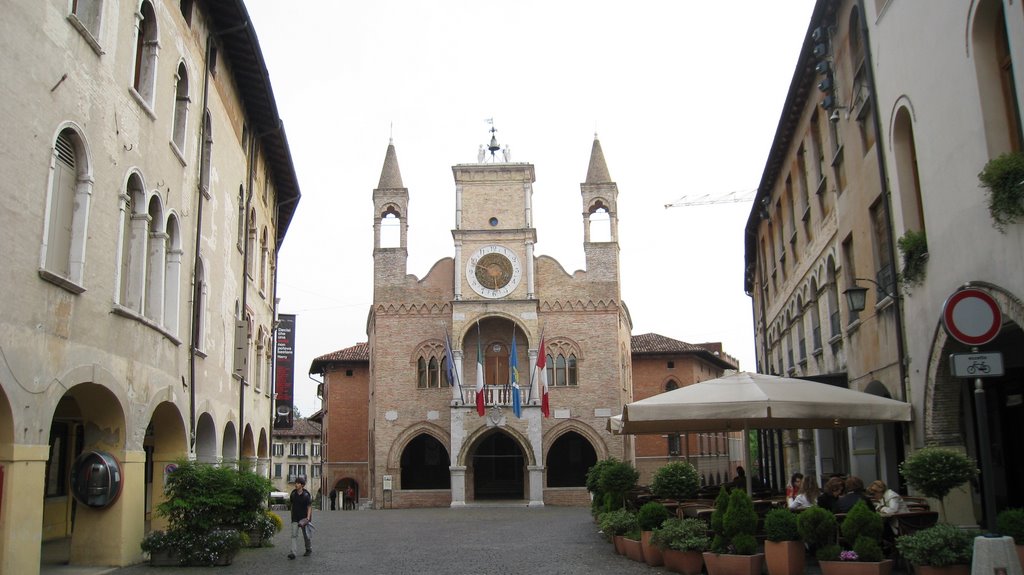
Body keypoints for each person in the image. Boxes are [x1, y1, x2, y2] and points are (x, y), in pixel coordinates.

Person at [288, 476, 313, 559]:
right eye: (296, 483)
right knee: (294, 535)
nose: (296, 484)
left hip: (304, 518)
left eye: (298, 483)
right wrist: (292, 515)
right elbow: (292, 505)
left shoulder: (306, 495)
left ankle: (308, 549)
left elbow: (309, 507)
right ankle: (293, 553)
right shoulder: (293, 494)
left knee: (306, 535)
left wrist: (308, 518)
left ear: (302, 485)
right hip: (295, 518)